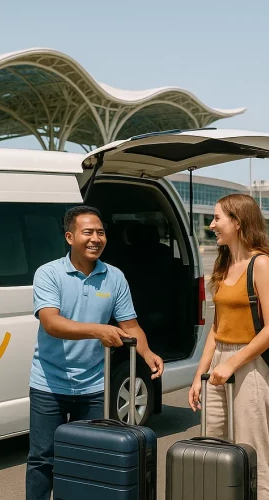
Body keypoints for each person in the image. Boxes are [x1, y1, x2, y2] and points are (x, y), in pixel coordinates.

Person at [26, 205, 164, 500]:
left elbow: (130, 325)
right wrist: (98, 330)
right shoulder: (49, 273)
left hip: (93, 386)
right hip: (48, 383)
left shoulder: (113, 277)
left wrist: (148, 352)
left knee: (91, 457)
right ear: (69, 237)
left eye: (100, 232)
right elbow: (51, 323)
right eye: (87, 232)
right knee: (43, 458)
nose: (95, 238)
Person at [187, 193, 269, 500]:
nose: (212, 225)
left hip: (250, 361)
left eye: (218, 219)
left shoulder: (262, 264)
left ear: (238, 222)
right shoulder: (223, 263)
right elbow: (217, 328)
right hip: (219, 359)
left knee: (252, 447)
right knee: (213, 445)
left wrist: (233, 362)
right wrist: (200, 374)